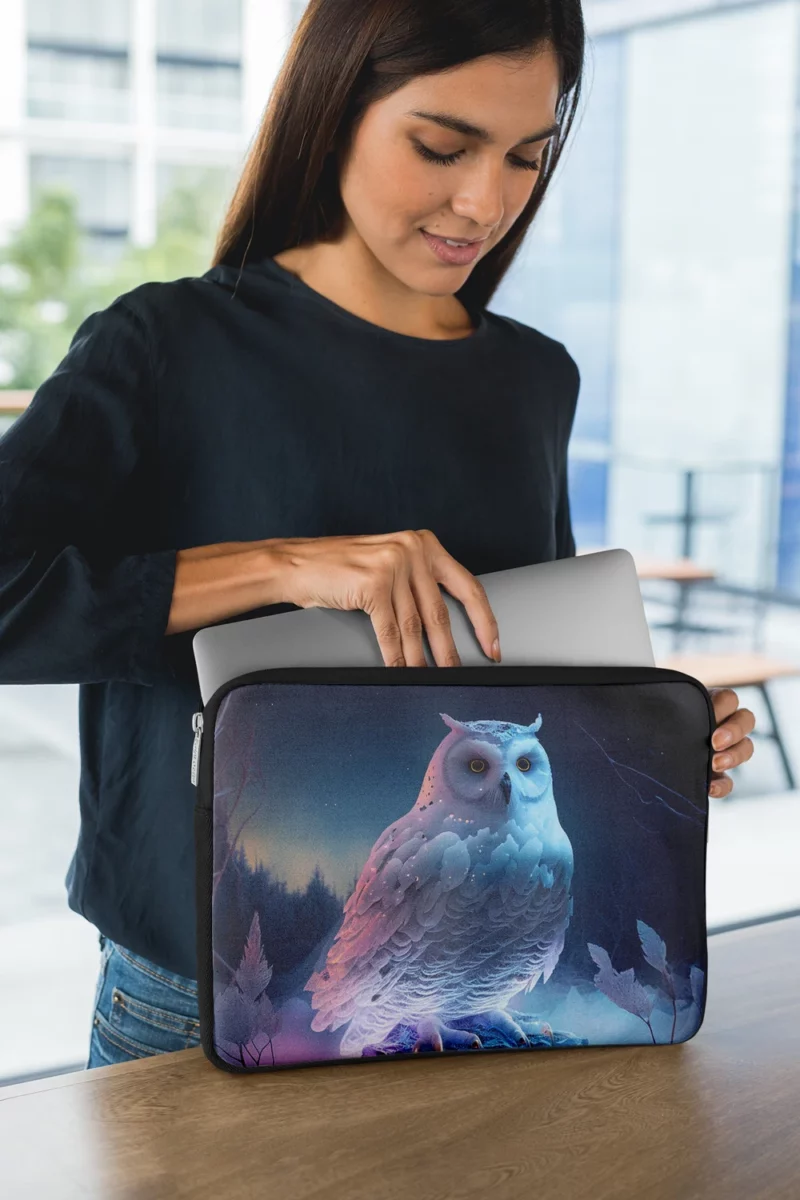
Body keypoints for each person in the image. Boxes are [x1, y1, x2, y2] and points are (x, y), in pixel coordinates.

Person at [0, 0, 755, 1070]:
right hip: (192, 1008)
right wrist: (287, 566)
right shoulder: (163, 345)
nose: (482, 201)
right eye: (440, 146)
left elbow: (522, 661)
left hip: (476, 1009)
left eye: (524, 158)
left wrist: (665, 733)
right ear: (333, 107)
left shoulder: (535, 379)